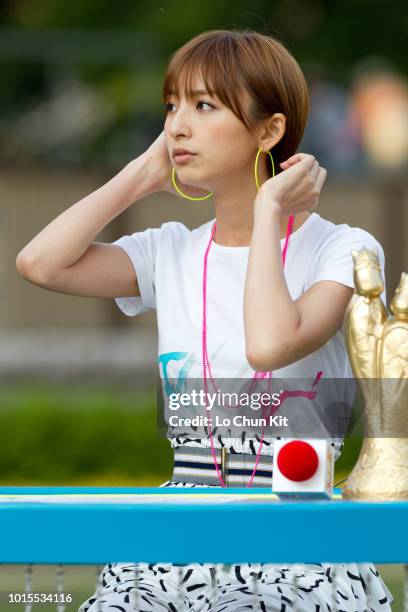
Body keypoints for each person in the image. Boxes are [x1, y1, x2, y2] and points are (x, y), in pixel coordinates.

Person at [16, 28, 394, 612]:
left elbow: (271, 344)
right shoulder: (170, 249)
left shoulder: (343, 248)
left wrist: (269, 211)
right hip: (181, 523)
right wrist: (141, 175)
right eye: (171, 106)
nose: (177, 126)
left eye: (204, 106)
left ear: (268, 130)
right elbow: (39, 263)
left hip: (294, 523)